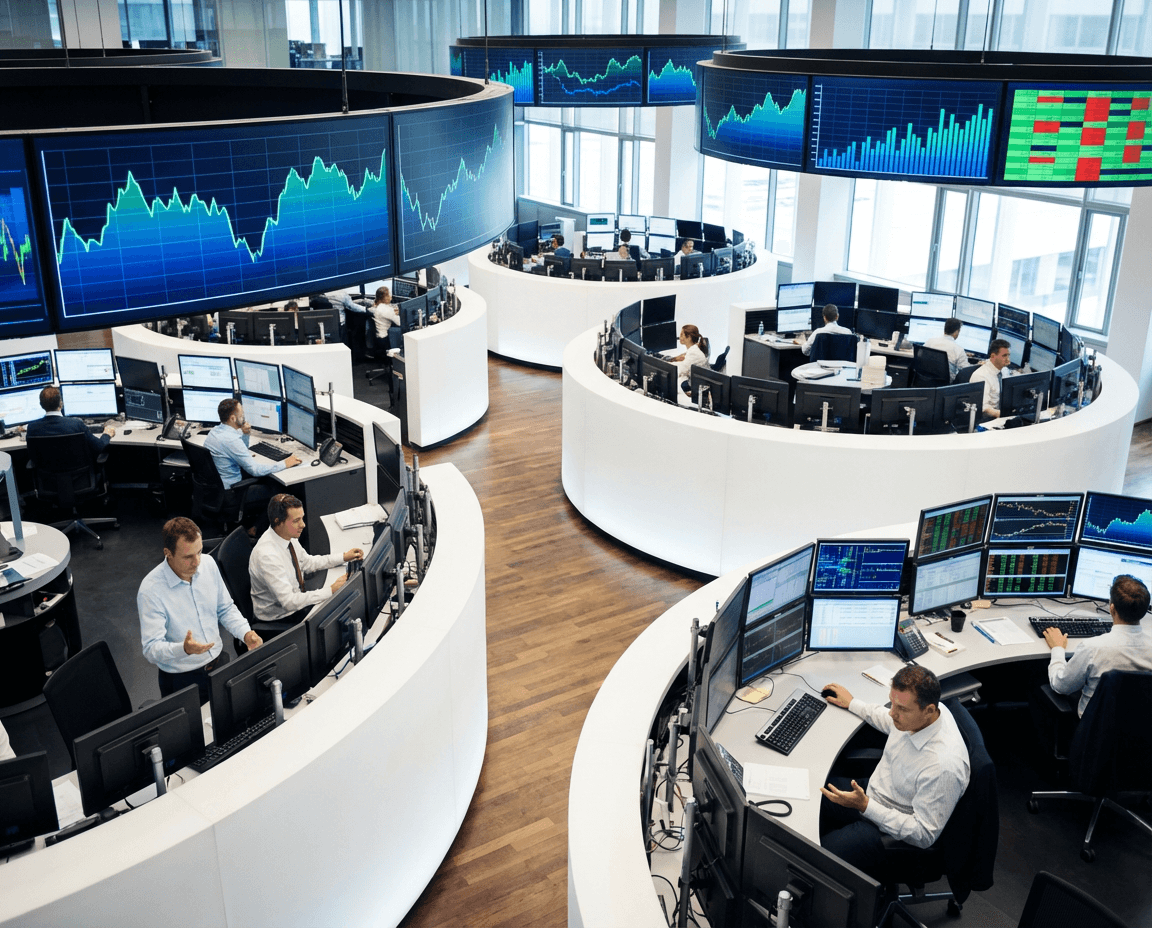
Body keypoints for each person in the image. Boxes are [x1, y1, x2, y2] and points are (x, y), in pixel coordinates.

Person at [818, 665, 970, 880]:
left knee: (815, 856)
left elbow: (924, 835)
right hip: (875, 793)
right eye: (892, 702)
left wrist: (865, 806)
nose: (892, 713)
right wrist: (852, 703)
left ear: (928, 710)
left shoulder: (943, 767)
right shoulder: (926, 715)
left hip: (888, 830)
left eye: (902, 709)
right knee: (810, 794)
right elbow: (888, 720)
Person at [138, 517, 262, 704]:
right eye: (188, 557)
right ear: (168, 553)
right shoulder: (150, 591)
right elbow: (151, 649)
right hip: (183, 680)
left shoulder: (208, 564)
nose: (197, 562)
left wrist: (245, 633)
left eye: (199, 552)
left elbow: (225, 609)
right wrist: (184, 649)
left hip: (219, 664)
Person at [1043, 574, 1152, 717]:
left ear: (1112, 608)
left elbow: (1060, 686)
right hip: (1141, 729)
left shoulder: (1092, 648)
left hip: (1094, 731)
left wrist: (1057, 649)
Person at [249, 493, 364, 624]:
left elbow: (307, 562)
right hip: (282, 617)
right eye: (296, 520)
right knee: (340, 610)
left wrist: (343, 557)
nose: (303, 525)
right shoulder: (267, 556)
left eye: (302, 518)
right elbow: (289, 602)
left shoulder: (286, 535)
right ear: (278, 521)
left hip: (295, 601)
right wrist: (330, 590)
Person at [204, 397, 300, 532]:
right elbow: (255, 470)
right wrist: (284, 463)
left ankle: (254, 526)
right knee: (279, 491)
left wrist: (245, 434)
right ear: (232, 418)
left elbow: (242, 451)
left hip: (216, 490)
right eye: (241, 414)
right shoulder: (230, 440)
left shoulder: (215, 432)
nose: (244, 417)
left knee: (268, 480)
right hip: (233, 493)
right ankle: (255, 529)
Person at [25, 385, 116, 448]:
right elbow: (100, 447)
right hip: (78, 475)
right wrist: (106, 434)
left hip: (46, 475)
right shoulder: (75, 424)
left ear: (41, 405)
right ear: (61, 404)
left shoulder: (32, 428)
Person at [969, 338, 1012, 418]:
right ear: (993, 356)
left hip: (1002, 413)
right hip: (989, 418)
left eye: (1008, 355)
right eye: (1004, 356)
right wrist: (1005, 415)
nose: (1008, 360)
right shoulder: (981, 376)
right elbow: (984, 408)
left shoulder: (1004, 370)